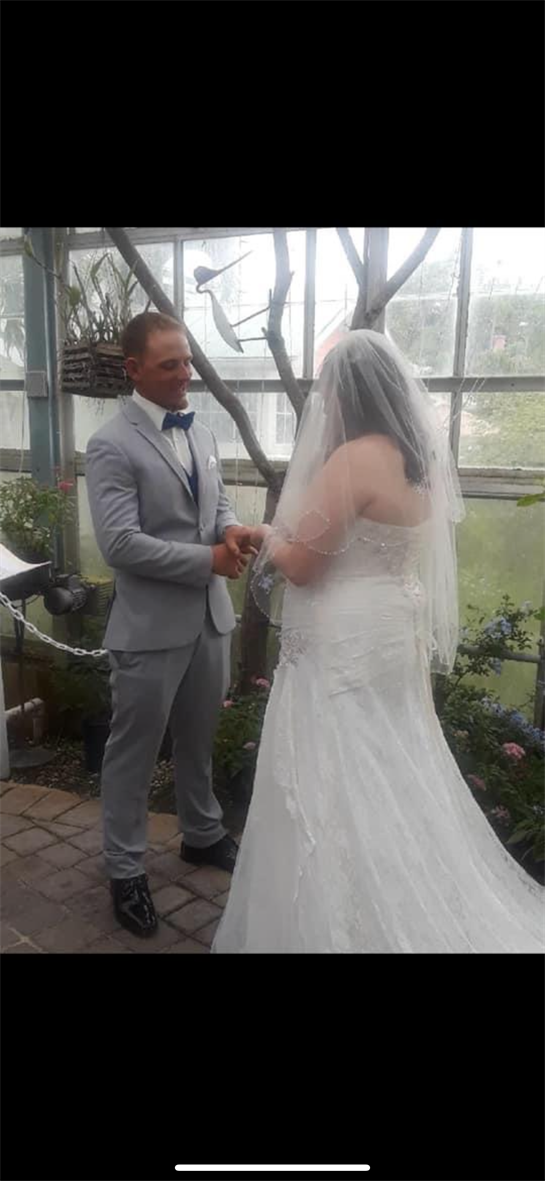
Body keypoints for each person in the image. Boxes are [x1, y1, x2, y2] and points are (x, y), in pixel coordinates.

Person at [213, 330, 545, 953]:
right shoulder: (416, 456)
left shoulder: (353, 460)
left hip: (340, 638)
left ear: (348, 393)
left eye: (329, 390)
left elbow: (306, 565)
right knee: (391, 758)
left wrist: (263, 532)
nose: (324, 403)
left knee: (331, 769)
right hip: (391, 629)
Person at [86, 312, 254, 937]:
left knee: (198, 739)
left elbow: (217, 506)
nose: (187, 374)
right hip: (150, 627)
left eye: (187, 360)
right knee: (132, 753)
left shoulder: (202, 433)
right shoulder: (111, 444)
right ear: (133, 370)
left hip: (210, 619)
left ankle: (202, 834)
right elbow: (120, 544)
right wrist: (207, 559)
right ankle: (125, 869)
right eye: (170, 364)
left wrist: (231, 531)